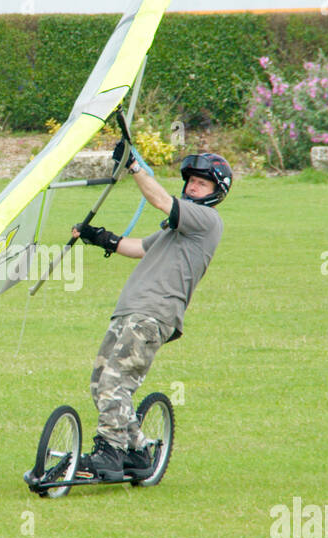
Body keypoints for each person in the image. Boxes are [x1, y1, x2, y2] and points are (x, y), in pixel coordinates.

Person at [71, 146, 232, 482]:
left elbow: (160, 200)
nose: (192, 188)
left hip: (152, 314)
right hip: (130, 311)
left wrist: (133, 165)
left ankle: (111, 451)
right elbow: (138, 248)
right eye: (191, 182)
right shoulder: (174, 231)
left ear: (216, 192)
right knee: (101, 382)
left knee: (117, 382)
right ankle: (138, 452)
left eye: (201, 184)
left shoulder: (206, 220)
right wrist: (98, 237)